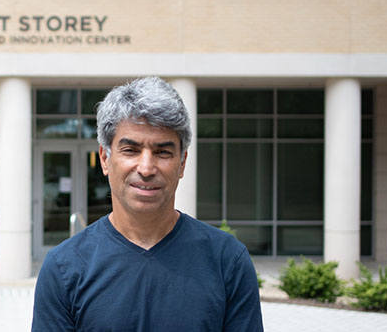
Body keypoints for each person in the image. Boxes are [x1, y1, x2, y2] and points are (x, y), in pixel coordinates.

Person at [32, 77, 263, 331]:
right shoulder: (64, 268)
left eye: (163, 152)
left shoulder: (227, 261)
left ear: (182, 162)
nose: (146, 168)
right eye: (130, 150)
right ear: (105, 159)